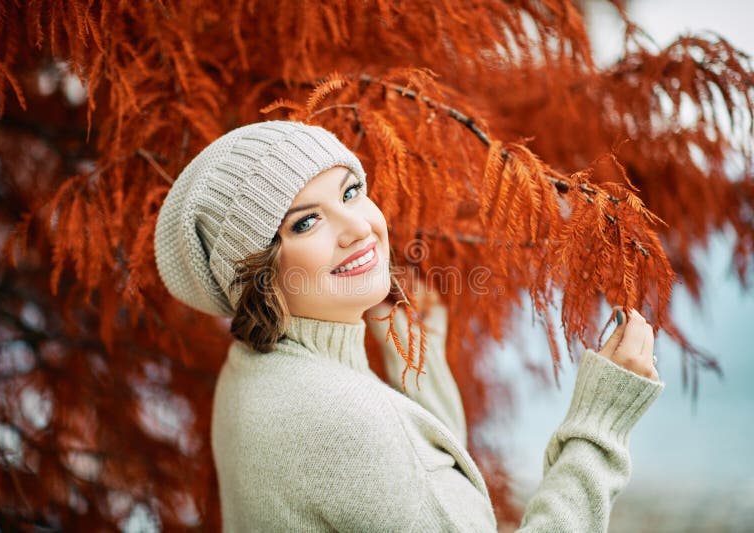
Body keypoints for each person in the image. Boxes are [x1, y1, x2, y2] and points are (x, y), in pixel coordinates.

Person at [153, 120, 664, 532]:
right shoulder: (342, 420)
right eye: (305, 222)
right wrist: (598, 429)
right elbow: (384, 452)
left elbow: (427, 486)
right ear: (256, 271)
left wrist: (416, 354)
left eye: (351, 191)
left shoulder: (252, 371)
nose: (357, 226)